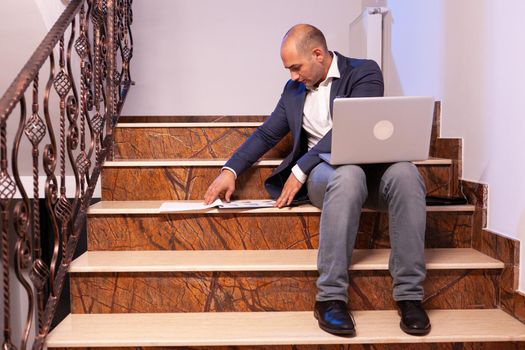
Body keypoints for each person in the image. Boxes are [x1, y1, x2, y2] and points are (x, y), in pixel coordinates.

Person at [204, 24, 430, 337]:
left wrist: (299, 169)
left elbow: (349, 131)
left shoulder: (364, 73)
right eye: (289, 70)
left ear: (318, 54)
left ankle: (409, 296)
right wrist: (230, 170)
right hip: (327, 176)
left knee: (406, 172)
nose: (293, 76)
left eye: (296, 67)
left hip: (370, 172)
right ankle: (330, 297)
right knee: (347, 175)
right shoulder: (293, 91)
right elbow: (267, 133)